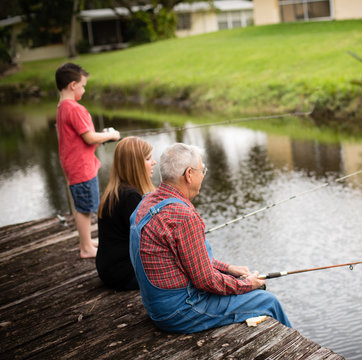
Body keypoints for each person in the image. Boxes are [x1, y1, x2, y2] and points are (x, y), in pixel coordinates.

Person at [129, 143, 291, 333]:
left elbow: (189, 259)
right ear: (189, 174)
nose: (203, 175)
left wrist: (229, 269)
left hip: (157, 308)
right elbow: (206, 281)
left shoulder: (146, 201)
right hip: (180, 312)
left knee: (236, 283)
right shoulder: (183, 216)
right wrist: (249, 284)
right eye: (202, 170)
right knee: (267, 301)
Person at [55, 62, 120, 258]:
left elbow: (81, 138)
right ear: (73, 85)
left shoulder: (61, 107)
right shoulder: (75, 109)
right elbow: (89, 137)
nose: (84, 89)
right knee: (85, 209)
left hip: (72, 164)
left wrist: (100, 136)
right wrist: (110, 136)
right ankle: (86, 248)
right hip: (81, 166)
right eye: (83, 86)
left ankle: (86, 241)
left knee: (81, 205)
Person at [96, 137, 156, 291]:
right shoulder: (131, 197)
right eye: (148, 158)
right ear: (135, 165)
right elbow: (149, 242)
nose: (154, 162)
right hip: (123, 274)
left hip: (109, 269)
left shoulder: (115, 192)